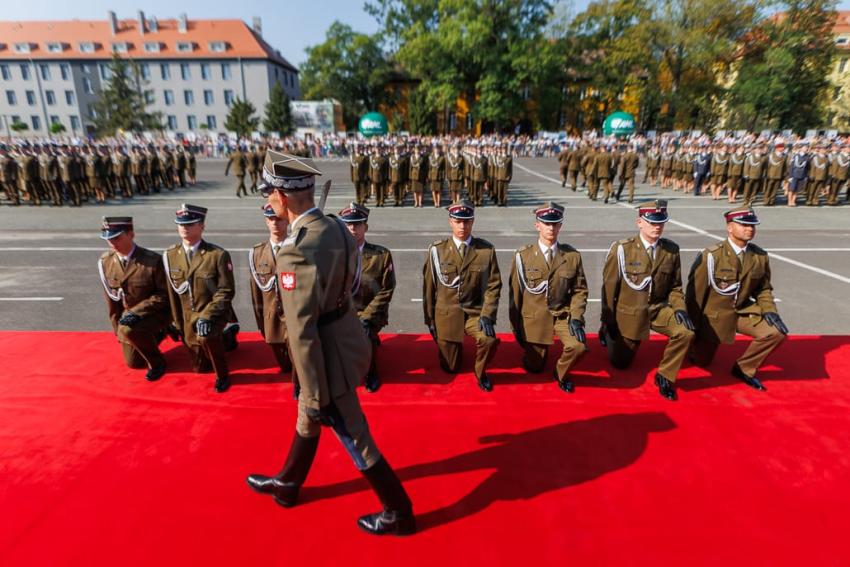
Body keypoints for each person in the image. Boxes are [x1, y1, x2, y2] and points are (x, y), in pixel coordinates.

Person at [247, 151, 415, 536]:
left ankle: (399, 510)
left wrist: (314, 388)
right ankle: (288, 483)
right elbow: (353, 285)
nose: (269, 201)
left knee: (353, 431)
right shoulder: (338, 227)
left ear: (284, 198)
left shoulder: (295, 250)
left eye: (271, 194)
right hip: (346, 337)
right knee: (307, 417)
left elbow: (302, 329)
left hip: (325, 358)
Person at [600, 200, 695, 401]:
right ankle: (609, 335)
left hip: (657, 309)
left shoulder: (671, 250)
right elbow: (609, 287)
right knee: (621, 363)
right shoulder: (622, 249)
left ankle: (665, 376)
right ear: (639, 223)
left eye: (661, 222)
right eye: (652, 222)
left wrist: (680, 308)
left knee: (685, 332)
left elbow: (675, 287)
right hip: (629, 312)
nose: (657, 226)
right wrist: (607, 320)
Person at [686, 207, 788, 391]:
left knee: (775, 333)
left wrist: (771, 311)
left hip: (741, 311)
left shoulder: (759, 256)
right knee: (702, 361)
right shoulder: (711, 255)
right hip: (713, 317)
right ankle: (693, 348)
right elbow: (695, 295)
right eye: (744, 225)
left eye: (752, 225)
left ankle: (744, 368)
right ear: (730, 228)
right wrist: (692, 328)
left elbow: (763, 289)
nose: (750, 229)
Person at [422, 199, 502, 391]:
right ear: (450, 222)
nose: (462, 226)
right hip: (447, 314)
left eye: (466, 221)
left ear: (472, 222)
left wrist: (487, 315)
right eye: (458, 221)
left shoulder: (485, 250)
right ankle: (451, 345)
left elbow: (493, 285)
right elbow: (428, 289)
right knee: (450, 367)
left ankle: (480, 372)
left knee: (489, 340)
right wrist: (430, 322)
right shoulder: (437, 250)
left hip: (475, 314)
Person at [509, 203, 588, 393]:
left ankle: (560, 373)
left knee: (578, 347)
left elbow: (580, 290)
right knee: (535, 367)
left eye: (555, 224)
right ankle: (534, 352)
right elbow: (515, 297)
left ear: (560, 226)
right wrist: (517, 328)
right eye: (546, 224)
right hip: (534, 318)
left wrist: (576, 318)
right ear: (538, 226)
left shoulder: (572, 256)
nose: (551, 228)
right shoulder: (523, 256)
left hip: (561, 315)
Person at [163, 204, 238, 392]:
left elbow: (226, 291)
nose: (184, 228)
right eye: (181, 224)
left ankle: (223, 375)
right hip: (188, 318)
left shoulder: (217, 255)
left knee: (207, 340)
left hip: (212, 314)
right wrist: (174, 322)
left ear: (202, 226)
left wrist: (207, 316)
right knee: (199, 368)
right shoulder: (170, 255)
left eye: (190, 224)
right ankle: (227, 338)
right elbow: (171, 293)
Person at [97, 217, 171, 381]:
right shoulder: (106, 262)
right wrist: (118, 332)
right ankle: (148, 337)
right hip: (127, 320)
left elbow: (164, 296)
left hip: (155, 314)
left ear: (131, 234)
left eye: (117, 238)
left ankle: (157, 363)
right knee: (134, 362)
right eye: (108, 239)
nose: (112, 243)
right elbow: (112, 302)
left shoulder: (152, 260)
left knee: (129, 329)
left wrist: (137, 313)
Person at [339, 202, 396, 393]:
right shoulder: (334, 254)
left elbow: (387, 289)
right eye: (348, 224)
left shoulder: (381, 255)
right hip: (343, 312)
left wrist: (366, 317)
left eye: (358, 224)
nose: (353, 228)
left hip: (370, 313)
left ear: (366, 227)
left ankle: (371, 373)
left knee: (365, 335)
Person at [249, 204, 295, 378]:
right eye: (271, 218)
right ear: (266, 222)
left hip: (294, 317)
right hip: (271, 318)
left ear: (288, 220)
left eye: (279, 218)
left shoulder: (298, 249)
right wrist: (262, 324)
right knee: (284, 365)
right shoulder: (257, 253)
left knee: (298, 361)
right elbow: (256, 295)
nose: (275, 222)